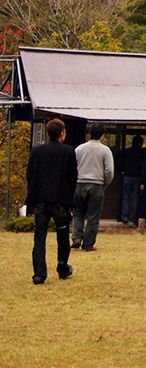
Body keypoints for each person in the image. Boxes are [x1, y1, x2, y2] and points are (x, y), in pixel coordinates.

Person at [26, 118, 78, 285]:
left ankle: (39, 273)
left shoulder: (36, 151)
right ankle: (62, 267)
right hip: (61, 201)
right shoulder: (68, 151)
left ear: (48, 133)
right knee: (62, 234)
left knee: (39, 237)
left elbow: (30, 175)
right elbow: (73, 177)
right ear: (62, 133)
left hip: (41, 201)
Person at [72, 123, 114, 252]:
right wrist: (105, 184)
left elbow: (72, 167)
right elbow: (109, 171)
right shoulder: (105, 150)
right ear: (102, 135)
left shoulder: (79, 149)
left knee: (78, 212)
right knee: (93, 215)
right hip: (97, 184)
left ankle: (76, 237)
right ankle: (88, 243)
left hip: (80, 182)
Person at [119, 135, 145, 224]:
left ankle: (124, 217)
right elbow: (144, 166)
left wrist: (122, 170)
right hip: (137, 176)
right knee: (135, 197)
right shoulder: (142, 153)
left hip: (127, 175)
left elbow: (120, 163)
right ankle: (133, 217)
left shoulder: (126, 152)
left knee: (125, 197)